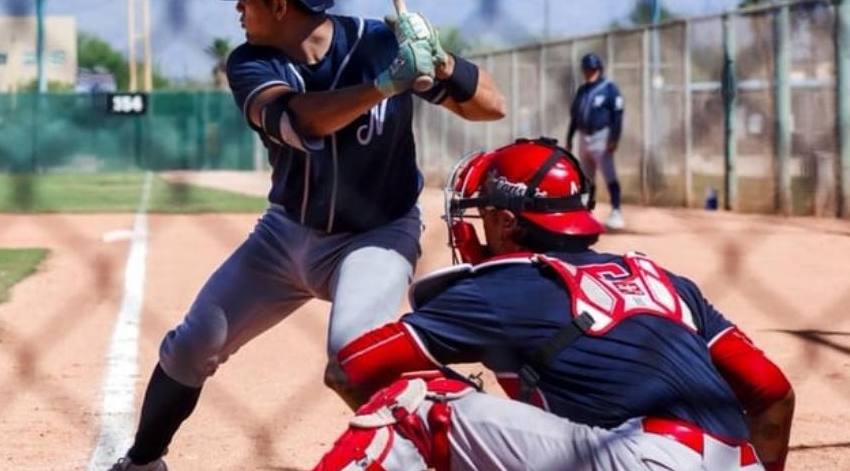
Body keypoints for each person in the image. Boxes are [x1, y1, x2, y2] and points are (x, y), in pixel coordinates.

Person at [107, 0, 507, 471]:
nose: (238, 12)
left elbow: (491, 108)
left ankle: (465, 439)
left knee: (354, 355)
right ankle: (141, 463)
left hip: (378, 234)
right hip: (284, 237)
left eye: (246, 1)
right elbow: (302, 119)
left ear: (280, 4)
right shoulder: (251, 64)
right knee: (191, 343)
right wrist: (387, 84)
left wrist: (442, 60)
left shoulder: (378, 43)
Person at [311, 137, 794, 471]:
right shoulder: (665, 280)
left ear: (505, 222)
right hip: (737, 462)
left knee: (410, 403)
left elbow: (350, 367)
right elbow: (772, 394)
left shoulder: (506, 285)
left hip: (642, 459)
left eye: (483, 215)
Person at [566, 52, 625, 229]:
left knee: (609, 174)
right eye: (586, 69)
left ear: (598, 69)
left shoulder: (609, 88)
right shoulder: (582, 91)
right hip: (584, 136)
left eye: (592, 69)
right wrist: (569, 138)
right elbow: (575, 117)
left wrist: (614, 138)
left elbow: (617, 115)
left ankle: (616, 211)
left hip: (602, 136)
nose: (588, 73)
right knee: (586, 178)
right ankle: (586, 212)